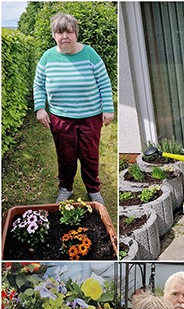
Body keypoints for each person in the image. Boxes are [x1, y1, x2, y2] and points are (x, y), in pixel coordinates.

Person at [33, 12, 114, 205]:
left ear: (76, 34)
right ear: (54, 35)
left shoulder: (90, 54)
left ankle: (93, 190)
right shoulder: (47, 57)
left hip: (90, 118)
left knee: (89, 156)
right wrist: (40, 108)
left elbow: (104, 83)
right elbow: (38, 85)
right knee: (66, 157)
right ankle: (65, 188)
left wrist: (108, 108)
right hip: (61, 118)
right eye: (60, 33)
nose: (64, 37)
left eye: (69, 32)